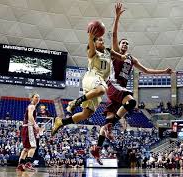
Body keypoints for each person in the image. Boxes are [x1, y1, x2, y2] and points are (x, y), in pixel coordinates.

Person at [90, 2, 173, 165]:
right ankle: (109, 127)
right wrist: (117, 17)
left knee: (107, 122)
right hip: (114, 86)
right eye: (123, 43)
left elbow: (147, 71)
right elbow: (114, 35)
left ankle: (97, 150)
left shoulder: (131, 59)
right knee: (132, 102)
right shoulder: (115, 54)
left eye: (126, 43)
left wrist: (164, 71)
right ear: (119, 45)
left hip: (118, 91)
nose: (124, 45)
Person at [51, 21, 128, 136]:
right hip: (92, 77)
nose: (102, 41)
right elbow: (91, 46)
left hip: (99, 83)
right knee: (103, 90)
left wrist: (124, 55)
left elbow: (121, 57)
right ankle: (75, 102)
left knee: (86, 114)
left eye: (102, 39)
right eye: (99, 40)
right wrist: (90, 37)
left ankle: (61, 122)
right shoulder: (92, 52)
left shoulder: (108, 51)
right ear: (94, 42)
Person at [16, 93, 40, 171]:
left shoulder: (30, 106)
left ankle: (20, 164)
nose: (37, 99)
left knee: (26, 148)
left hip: (25, 127)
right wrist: (35, 125)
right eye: (36, 97)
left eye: (38, 98)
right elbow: (30, 116)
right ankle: (28, 163)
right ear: (32, 98)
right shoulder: (32, 106)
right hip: (29, 127)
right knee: (33, 146)